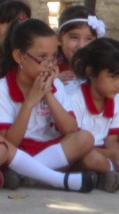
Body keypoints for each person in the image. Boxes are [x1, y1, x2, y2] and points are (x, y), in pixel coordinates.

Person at [0, 18, 99, 192]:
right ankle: (50, 177)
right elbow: (10, 141)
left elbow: (71, 130)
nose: (51, 64)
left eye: (54, 56)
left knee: (85, 138)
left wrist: (48, 94)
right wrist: (29, 103)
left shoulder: (56, 85)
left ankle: (23, 174)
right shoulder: (3, 88)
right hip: (17, 151)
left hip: (48, 151)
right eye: (42, 57)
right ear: (19, 56)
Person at [68, 37, 119, 189]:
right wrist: (110, 155)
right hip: (78, 152)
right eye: (113, 77)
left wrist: (117, 156)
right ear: (91, 72)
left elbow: (112, 140)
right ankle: (117, 176)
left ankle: (105, 175)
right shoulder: (75, 99)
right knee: (91, 159)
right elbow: (74, 143)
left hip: (103, 153)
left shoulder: (118, 102)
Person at [54, 4, 106, 90]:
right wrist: (54, 82)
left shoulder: (102, 70)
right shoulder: (49, 69)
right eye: (74, 37)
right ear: (59, 39)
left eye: (89, 39)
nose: (81, 46)